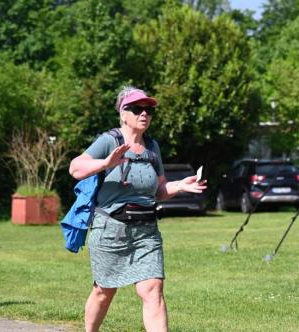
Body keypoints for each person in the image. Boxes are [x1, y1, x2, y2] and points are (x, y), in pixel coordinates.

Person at [69, 86, 207, 332]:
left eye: (149, 110)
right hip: (111, 229)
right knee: (104, 290)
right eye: (137, 109)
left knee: (152, 289)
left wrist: (181, 185)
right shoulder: (109, 141)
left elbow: (159, 191)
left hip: (146, 231)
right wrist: (106, 163)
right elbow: (75, 168)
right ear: (123, 113)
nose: (144, 114)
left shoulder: (153, 147)